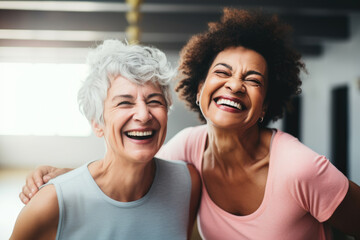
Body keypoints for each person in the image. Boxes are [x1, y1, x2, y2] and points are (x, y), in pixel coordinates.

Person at [20, 9, 360, 240]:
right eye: (223, 73)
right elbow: (132, 163)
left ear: (266, 106)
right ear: (199, 90)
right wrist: (68, 177)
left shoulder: (300, 168)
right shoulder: (188, 149)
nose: (235, 85)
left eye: (252, 79)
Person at [11, 40, 201, 240]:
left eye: (154, 101)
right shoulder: (52, 202)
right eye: (124, 103)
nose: (144, 115)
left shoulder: (187, 183)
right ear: (97, 124)